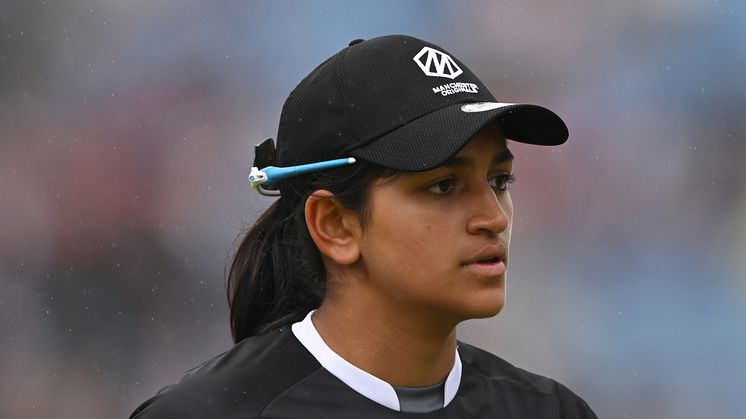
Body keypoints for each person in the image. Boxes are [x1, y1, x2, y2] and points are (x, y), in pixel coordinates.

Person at [130, 34, 598, 418]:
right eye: (443, 186)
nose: (494, 218)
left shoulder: (552, 412)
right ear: (335, 225)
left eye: (500, 180)